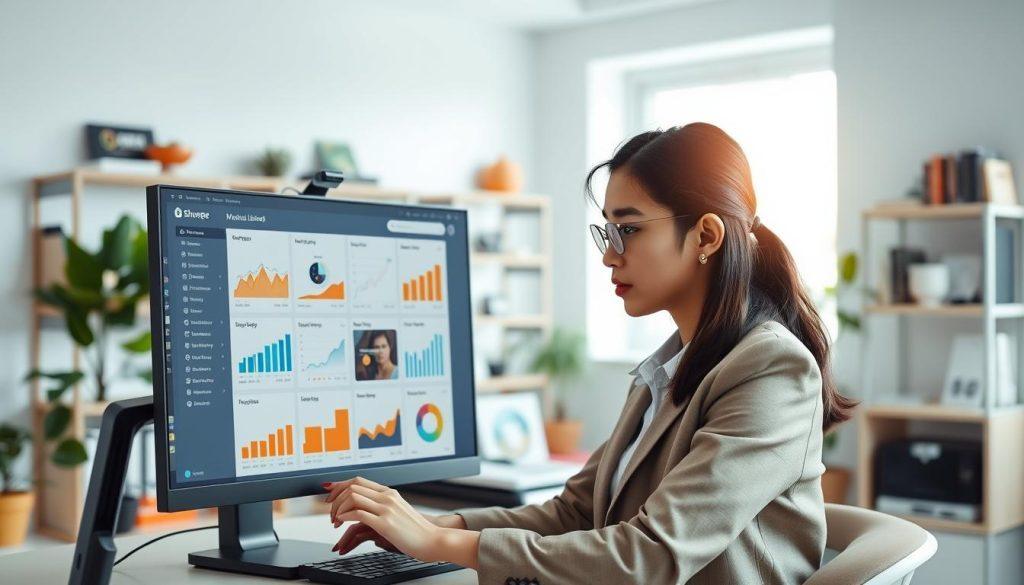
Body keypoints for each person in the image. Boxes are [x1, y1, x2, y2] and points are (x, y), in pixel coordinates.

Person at [321, 123, 856, 584]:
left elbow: (651, 555)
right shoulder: (667, 368)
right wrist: (436, 526)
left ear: (706, 236)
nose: (608, 255)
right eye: (607, 231)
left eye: (628, 229)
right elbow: (576, 512)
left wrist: (438, 546)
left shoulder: (770, 370)